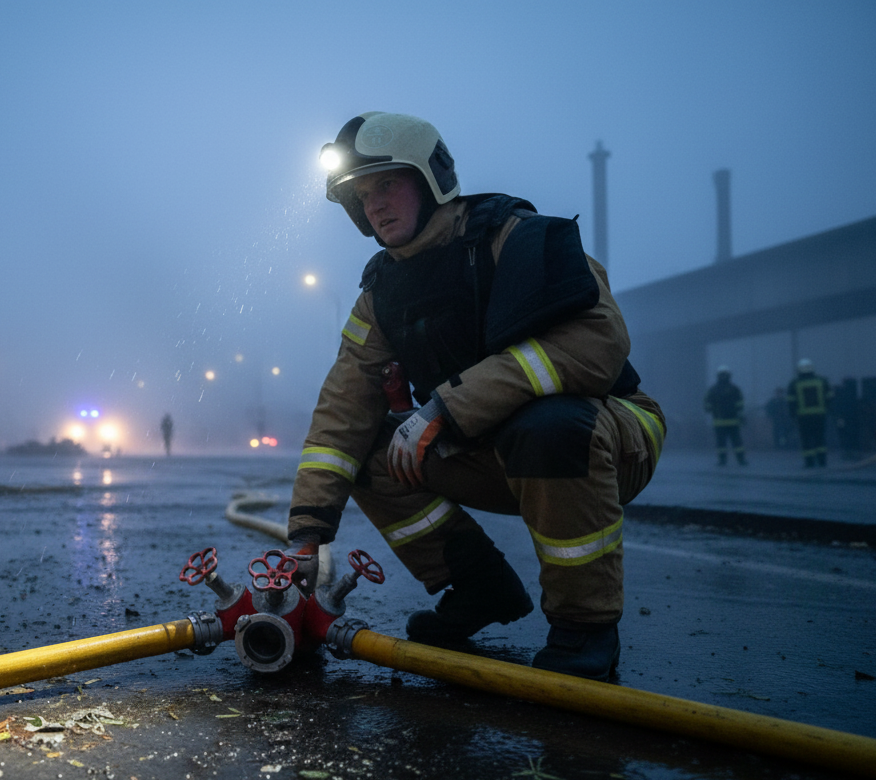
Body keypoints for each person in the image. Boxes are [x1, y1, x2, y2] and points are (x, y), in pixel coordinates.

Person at [285, 112, 665, 682]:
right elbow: (342, 411)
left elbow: (600, 341)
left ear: (432, 178)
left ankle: (584, 628)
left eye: (388, 184)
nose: (375, 205)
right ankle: (480, 587)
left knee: (548, 425)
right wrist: (306, 535)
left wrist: (446, 408)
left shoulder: (514, 238)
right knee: (364, 452)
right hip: (493, 449)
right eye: (362, 195)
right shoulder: (381, 294)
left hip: (607, 435)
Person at [787, 358, 831, 468]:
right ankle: (822, 461)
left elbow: (791, 402)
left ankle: (809, 462)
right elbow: (830, 397)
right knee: (820, 438)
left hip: (803, 417)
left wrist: (792, 415)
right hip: (820, 415)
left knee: (806, 439)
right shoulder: (822, 381)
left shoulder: (794, 383)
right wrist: (827, 410)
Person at [703, 366, 746, 465]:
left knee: (723, 443)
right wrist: (738, 413)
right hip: (731, 421)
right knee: (735, 441)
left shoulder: (713, 390)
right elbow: (740, 404)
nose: (723, 376)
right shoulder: (734, 389)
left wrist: (711, 409)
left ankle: (723, 460)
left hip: (720, 421)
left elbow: (707, 405)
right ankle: (741, 460)